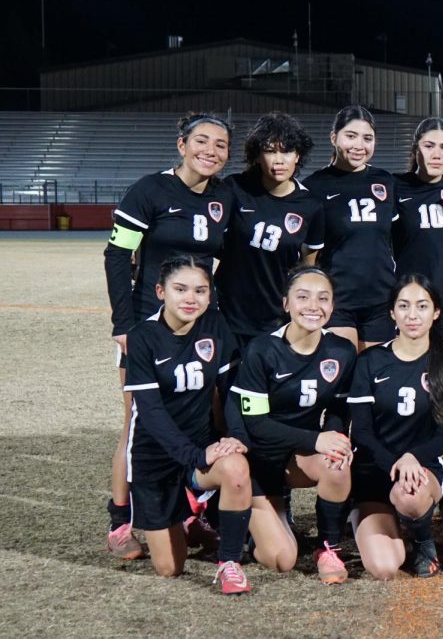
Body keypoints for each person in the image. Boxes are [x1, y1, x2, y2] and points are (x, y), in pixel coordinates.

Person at [103, 112, 234, 559]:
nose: (210, 151)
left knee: (204, 418)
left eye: (220, 145)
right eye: (201, 141)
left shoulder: (225, 197)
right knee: (135, 424)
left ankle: (189, 513)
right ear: (182, 144)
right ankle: (121, 521)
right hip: (149, 323)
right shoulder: (149, 190)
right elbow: (118, 256)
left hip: (204, 326)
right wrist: (124, 325)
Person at [123, 257, 252, 594]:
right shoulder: (142, 337)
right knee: (169, 568)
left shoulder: (215, 326)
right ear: (160, 291)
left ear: (210, 296)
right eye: (180, 289)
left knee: (236, 468)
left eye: (200, 290)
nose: (190, 298)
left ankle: (229, 563)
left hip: (200, 447)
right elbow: (150, 413)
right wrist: (194, 455)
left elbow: (230, 392)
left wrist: (235, 437)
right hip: (157, 457)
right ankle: (188, 512)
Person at [227, 267, 357, 583]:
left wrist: (336, 437)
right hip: (258, 460)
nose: (314, 305)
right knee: (282, 559)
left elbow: (340, 407)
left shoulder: (342, 350)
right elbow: (256, 425)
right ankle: (250, 521)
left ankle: (328, 548)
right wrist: (317, 439)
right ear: (286, 304)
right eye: (303, 297)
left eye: (323, 298)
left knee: (337, 463)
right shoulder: (263, 350)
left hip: (295, 457)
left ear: (333, 305)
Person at [347, 274, 443, 580]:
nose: (412, 315)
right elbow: (361, 432)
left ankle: (422, 539)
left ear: (437, 311)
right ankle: (361, 516)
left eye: (421, 306)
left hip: (424, 469)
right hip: (376, 470)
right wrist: (395, 462)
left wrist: (413, 458)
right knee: (385, 567)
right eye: (403, 306)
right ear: (392, 312)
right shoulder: (371, 361)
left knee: (411, 495)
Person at [216, 112, 324, 348]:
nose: (278, 160)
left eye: (286, 151)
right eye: (269, 150)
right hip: (228, 315)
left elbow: (307, 267)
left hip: (276, 319)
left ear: (298, 156)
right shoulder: (234, 189)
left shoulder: (311, 206)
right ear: (257, 155)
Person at [303, 106, 398, 351]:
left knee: (374, 378)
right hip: (337, 302)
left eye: (367, 138)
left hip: (381, 300)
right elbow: (308, 257)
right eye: (351, 135)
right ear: (334, 137)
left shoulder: (386, 182)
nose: (359, 145)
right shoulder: (314, 187)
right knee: (340, 376)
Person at [392, 117, 443, 330]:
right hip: (408, 297)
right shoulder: (395, 186)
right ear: (416, 148)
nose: (437, 155)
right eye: (428, 146)